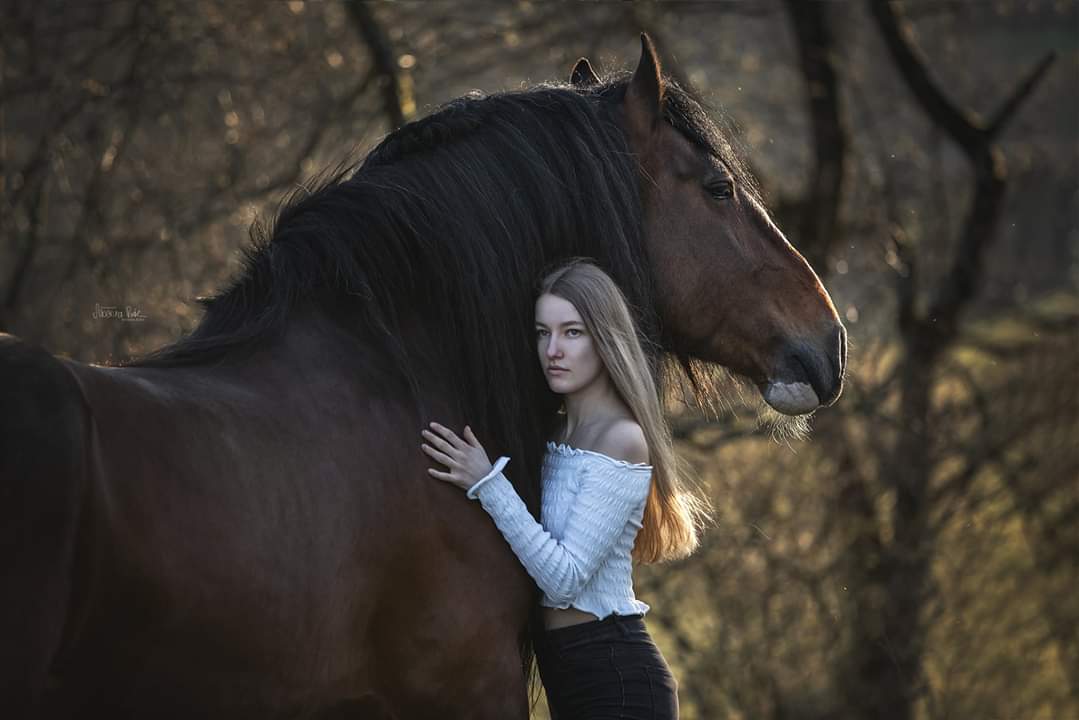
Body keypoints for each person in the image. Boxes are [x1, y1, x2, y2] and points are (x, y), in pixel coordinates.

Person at [420, 258, 711, 719]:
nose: (553, 349)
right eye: (542, 332)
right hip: (572, 680)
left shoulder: (622, 438)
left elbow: (564, 579)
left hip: (618, 682)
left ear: (604, 339)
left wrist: (487, 483)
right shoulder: (553, 435)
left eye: (572, 332)